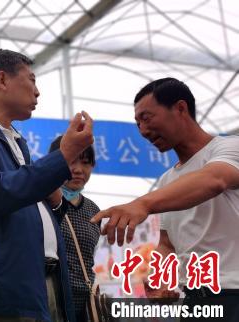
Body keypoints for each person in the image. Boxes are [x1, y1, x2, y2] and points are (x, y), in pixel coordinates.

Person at [0, 49, 94, 322]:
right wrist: (63, 155)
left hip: (35, 286)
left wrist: (52, 204)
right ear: (3, 80)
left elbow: (22, 195)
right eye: (31, 79)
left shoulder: (16, 140)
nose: (37, 92)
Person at [92, 78, 239, 320]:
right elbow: (168, 244)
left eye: (147, 118)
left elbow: (215, 180)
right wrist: (157, 277)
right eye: (137, 123)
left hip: (233, 293)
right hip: (194, 299)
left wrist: (142, 204)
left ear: (180, 108)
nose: (142, 131)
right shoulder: (167, 180)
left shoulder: (228, 148)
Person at [48, 136, 101, 322]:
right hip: (50, 302)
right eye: (71, 162)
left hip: (84, 307)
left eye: (86, 163)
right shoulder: (39, 202)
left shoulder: (93, 210)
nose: (79, 170)